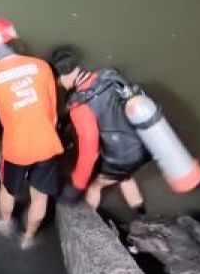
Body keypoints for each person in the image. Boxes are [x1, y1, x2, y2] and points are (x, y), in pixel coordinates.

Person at [0, 18, 64, 248]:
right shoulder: (42, 66)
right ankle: (28, 237)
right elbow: (52, 113)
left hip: (17, 149)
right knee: (40, 197)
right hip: (48, 144)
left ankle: (4, 224)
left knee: (7, 190)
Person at [51, 47, 150, 212]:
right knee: (124, 177)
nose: (60, 84)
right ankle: (142, 216)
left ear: (64, 76)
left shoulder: (80, 107)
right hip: (142, 145)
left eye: (59, 80)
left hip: (120, 157)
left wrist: (77, 185)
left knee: (96, 184)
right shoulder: (108, 76)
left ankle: (87, 224)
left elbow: (90, 153)